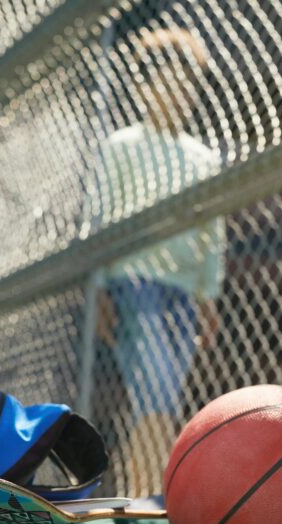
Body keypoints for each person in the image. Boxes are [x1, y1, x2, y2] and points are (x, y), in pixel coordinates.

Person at [90, 27, 225, 497]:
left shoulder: (204, 158)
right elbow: (103, 218)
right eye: (169, 81)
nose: (180, 93)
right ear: (144, 88)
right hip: (135, 283)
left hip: (183, 293)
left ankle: (138, 508)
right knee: (156, 395)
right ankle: (158, 505)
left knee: (159, 402)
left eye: (189, 84)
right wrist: (101, 285)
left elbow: (213, 231)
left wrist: (208, 297)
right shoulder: (121, 146)